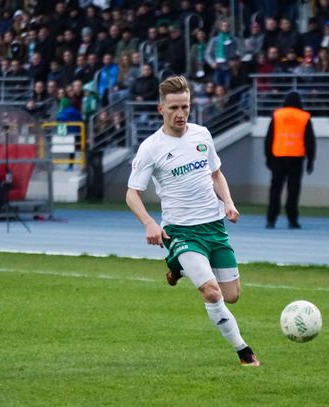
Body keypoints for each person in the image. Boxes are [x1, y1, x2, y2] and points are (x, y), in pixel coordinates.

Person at [125, 75, 260, 367]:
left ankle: (176, 266)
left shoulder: (202, 134)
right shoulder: (151, 147)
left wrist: (228, 203)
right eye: (174, 107)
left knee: (232, 295)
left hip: (214, 227)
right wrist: (149, 223)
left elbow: (216, 174)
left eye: (185, 106)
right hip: (181, 231)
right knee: (212, 293)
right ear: (161, 109)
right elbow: (132, 194)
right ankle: (244, 351)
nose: (180, 113)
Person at [264, 91, 316, 230]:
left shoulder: (277, 115)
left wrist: (268, 157)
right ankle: (292, 220)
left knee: (275, 190)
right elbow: (310, 141)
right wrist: (311, 160)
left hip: (278, 156)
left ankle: (271, 219)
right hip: (296, 158)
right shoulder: (304, 116)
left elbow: (269, 138)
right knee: (293, 190)